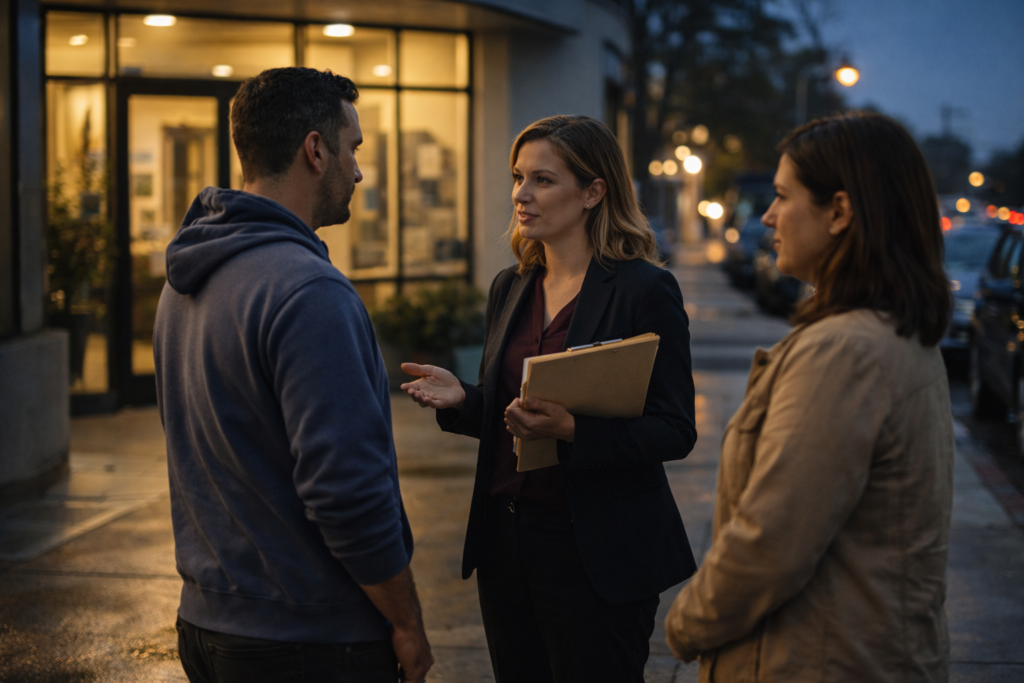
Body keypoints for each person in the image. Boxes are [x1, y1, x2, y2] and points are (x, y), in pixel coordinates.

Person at [154, 67, 432, 683]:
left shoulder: (185, 281)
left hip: (208, 623)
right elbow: (347, 492)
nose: (358, 172)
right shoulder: (310, 292)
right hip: (309, 641)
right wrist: (407, 620)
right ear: (315, 150)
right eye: (352, 149)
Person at [400, 115, 698, 682]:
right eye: (518, 177)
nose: (521, 194)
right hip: (506, 542)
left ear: (592, 192)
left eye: (542, 179)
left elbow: (675, 429)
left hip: (596, 551)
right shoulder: (510, 286)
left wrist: (573, 431)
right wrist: (464, 399)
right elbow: (515, 412)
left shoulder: (643, 289)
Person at [664, 112, 954, 681]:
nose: (767, 216)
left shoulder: (844, 352)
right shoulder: (892, 334)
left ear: (839, 212)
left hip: (815, 661)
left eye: (781, 196)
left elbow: (772, 539)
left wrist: (686, 624)